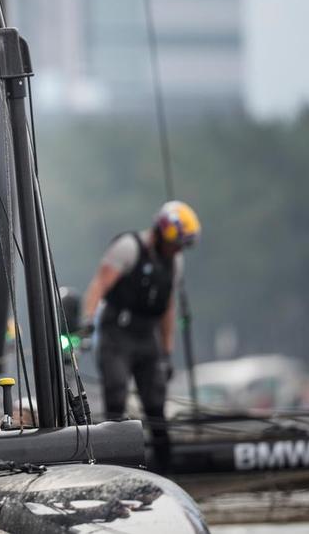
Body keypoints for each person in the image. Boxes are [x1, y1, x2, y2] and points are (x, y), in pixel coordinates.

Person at [80, 200, 202, 470]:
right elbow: (100, 284)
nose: (177, 250)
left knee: (156, 404)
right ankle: (115, 464)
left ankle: (166, 467)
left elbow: (167, 308)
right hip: (117, 335)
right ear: (160, 233)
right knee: (116, 395)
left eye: (182, 245)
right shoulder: (128, 248)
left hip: (147, 338)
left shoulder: (175, 263)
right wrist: (88, 321)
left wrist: (167, 352)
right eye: (175, 243)